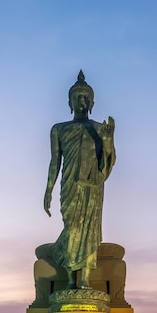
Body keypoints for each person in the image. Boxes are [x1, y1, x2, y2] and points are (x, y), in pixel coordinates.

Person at [44, 70, 116, 289]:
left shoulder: (97, 129)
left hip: (92, 186)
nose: (81, 101)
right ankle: (69, 280)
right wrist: (48, 189)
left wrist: (108, 140)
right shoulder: (60, 129)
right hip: (71, 184)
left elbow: (108, 161)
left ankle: (83, 279)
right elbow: (55, 161)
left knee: (89, 229)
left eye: (86, 97)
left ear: (92, 101)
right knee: (72, 227)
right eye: (77, 97)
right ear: (70, 101)